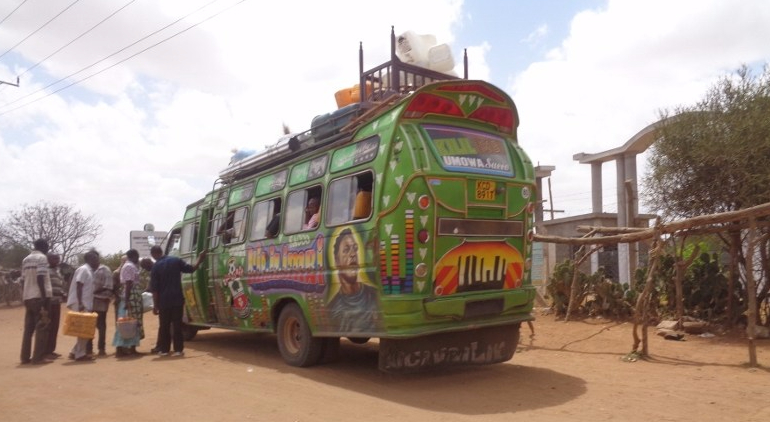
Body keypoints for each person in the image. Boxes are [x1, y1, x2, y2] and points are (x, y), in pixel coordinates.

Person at [149, 245, 207, 357]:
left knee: (164, 326)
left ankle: (164, 350)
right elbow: (192, 269)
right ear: (161, 251)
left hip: (164, 301)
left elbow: (155, 290)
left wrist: (155, 306)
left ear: (154, 254)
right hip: (177, 299)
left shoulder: (155, 267)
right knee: (177, 325)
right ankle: (178, 350)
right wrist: (200, 258)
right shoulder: (175, 260)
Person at [327, 229, 379, 332]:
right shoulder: (334, 309)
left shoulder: (374, 296)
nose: (353, 254)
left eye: (355, 248)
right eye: (346, 250)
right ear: (336, 261)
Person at [20, 238, 53, 365]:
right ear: (43, 246)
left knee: (28, 329)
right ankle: (38, 357)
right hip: (39, 297)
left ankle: (24, 357)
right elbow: (40, 278)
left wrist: (24, 295)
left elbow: (22, 280)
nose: (48, 249)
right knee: (42, 326)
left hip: (28, 296)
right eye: (47, 246)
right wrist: (44, 297)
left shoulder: (25, 259)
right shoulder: (42, 258)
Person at [67, 249, 100, 362]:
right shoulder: (84, 269)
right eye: (95, 259)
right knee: (83, 329)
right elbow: (79, 285)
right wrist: (80, 303)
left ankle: (75, 351)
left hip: (85, 302)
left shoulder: (89, 271)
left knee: (85, 328)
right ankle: (80, 354)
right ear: (89, 259)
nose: (98, 261)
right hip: (80, 303)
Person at [113, 249, 144, 357]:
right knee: (129, 322)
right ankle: (125, 348)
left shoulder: (128, 266)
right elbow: (129, 284)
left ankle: (129, 347)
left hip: (131, 295)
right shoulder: (129, 266)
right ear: (134, 256)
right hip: (131, 296)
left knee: (130, 322)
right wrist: (126, 301)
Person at [88, 263, 113, 357]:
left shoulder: (105, 270)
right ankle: (89, 348)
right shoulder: (87, 269)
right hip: (89, 301)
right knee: (89, 325)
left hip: (100, 301)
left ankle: (101, 348)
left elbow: (109, 287)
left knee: (101, 325)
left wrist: (94, 291)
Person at [44, 253, 65, 359]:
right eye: (54, 259)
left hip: (57, 301)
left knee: (55, 327)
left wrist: (62, 293)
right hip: (49, 302)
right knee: (48, 326)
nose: (57, 261)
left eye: (58, 259)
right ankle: (45, 351)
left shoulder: (58, 270)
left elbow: (59, 284)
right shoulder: (46, 270)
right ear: (48, 259)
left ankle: (51, 350)